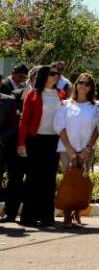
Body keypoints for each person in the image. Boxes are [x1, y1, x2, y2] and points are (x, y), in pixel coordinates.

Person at [17, 65, 67, 227]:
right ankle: (28, 217)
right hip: (35, 140)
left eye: (57, 74)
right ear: (44, 76)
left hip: (53, 141)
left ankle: (46, 216)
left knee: (49, 179)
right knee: (32, 179)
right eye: (53, 74)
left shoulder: (61, 95)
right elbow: (24, 121)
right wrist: (21, 143)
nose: (56, 76)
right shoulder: (33, 94)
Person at [54, 73, 99, 228]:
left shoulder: (95, 107)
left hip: (87, 149)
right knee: (69, 180)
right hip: (67, 148)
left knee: (82, 180)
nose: (83, 86)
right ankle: (67, 215)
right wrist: (70, 149)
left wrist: (87, 149)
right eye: (80, 82)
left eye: (87, 84)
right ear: (75, 85)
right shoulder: (65, 104)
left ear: (91, 88)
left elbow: (97, 129)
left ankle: (77, 213)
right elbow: (60, 126)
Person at [0, 66, 37, 224]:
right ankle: (10, 212)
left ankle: (32, 215)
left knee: (32, 180)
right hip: (14, 144)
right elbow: (14, 120)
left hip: (37, 143)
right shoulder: (16, 94)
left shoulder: (53, 95)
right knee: (15, 179)